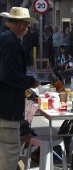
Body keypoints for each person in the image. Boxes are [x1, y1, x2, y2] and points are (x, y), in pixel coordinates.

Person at [0, 7, 40, 170]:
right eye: (27, 26)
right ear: (22, 25)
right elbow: (9, 75)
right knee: (10, 152)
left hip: (4, 105)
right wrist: (30, 82)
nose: (27, 30)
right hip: (6, 107)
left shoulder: (4, 37)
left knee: (4, 152)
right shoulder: (9, 41)